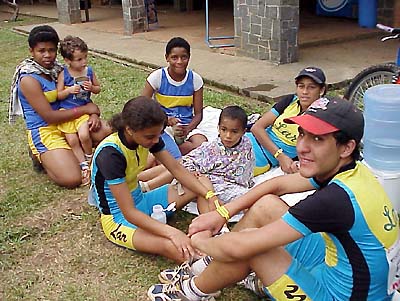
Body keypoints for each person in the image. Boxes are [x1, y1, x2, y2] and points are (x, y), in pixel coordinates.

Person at [148, 97, 400, 301]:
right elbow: (277, 184)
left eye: (318, 139)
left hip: (338, 294)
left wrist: (201, 240)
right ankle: (208, 268)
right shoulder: (354, 170)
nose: (302, 147)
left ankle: (192, 291)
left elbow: (240, 246)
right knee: (266, 205)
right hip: (339, 268)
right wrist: (222, 214)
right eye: (302, 134)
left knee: (251, 247)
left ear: (346, 147)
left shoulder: (334, 200)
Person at [90, 96, 223, 263]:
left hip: (142, 199)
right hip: (119, 218)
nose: (155, 141)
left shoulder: (147, 137)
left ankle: (210, 232)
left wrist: (210, 195)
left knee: (202, 183)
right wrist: (172, 232)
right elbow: (129, 213)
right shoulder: (110, 154)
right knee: (174, 246)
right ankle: (210, 265)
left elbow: (176, 169)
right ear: (129, 129)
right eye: (150, 137)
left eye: (158, 135)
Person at [12, 25, 109, 188]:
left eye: (51, 50)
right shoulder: (29, 79)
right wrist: (86, 110)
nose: (47, 55)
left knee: (107, 133)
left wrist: (92, 114)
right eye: (41, 51)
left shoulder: (59, 70)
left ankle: (70, 151)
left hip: (70, 118)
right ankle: (43, 155)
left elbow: (80, 97)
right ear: (31, 51)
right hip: (46, 128)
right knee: (72, 178)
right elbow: (49, 116)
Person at [138, 105, 255, 216]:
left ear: (243, 132)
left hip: (229, 186)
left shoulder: (246, 145)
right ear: (218, 127)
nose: (228, 135)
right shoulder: (213, 147)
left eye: (234, 132)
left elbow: (245, 170)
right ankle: (142, 182)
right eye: (224, 129)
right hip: (206, 183)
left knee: (252, 199)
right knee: (180, 165)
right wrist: (194, 172)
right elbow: (187, 163)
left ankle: (144, 183)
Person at [247, 66, 326, 176]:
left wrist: (288, 160)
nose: (304, 92)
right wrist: (280, 156)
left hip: (262, 157)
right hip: (248, 139)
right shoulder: (291, 101)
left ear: (321, 90)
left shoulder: (321, 117)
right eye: (301, 86)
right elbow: (257, 127)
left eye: (311, 87)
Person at [142, 37, 207, 157]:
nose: (179, 62)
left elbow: (198, 114)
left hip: (187, 125)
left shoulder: (195, 80)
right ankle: (172, 154)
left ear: (189, 57)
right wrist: (165, 120)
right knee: (160, 143)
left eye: (184, 57)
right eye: (174, 57)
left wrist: (187, 129)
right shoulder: (157, 77)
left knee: (203, 146)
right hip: (162, 126)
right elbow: (142, 107)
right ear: (167, 58)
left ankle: (170, 154)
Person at [57, 35, 102, 185]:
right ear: (68, 60)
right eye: (79, 59)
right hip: (67, 112)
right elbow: (59, 94)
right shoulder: (64, 74)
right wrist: (69, 90)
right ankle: (82, 164)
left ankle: (89, 157)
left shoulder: (88, 71)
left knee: (83, 135)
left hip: (83, 110)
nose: (84, 62)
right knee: (73, 140)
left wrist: (92, 88)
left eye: (85, 58)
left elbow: (98, 89)